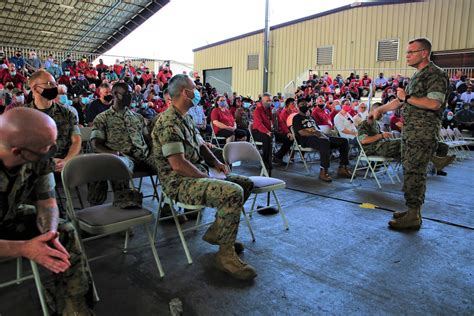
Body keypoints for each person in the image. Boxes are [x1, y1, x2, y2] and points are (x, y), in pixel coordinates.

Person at [152, 74, 256, 280]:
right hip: (178, 183)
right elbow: (178, 164)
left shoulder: (186, 118)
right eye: (194, 88)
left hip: (195, 176)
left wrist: (216, 164)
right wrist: (206, 177)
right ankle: (225, 256)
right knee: (233, 192)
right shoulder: (168, 122)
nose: (197, 92)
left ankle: (220, 232)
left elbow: (200, 145)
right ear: (185, 92)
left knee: (245, 183)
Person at [0, 108, 92, 314]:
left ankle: (74, 308)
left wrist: (49, 232)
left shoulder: (37, 156)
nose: (53, 152)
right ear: (17, 152)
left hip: (10, 216)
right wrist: (24, 248)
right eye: (46, 148)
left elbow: (47, 201)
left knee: (64, 231)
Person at [370, 38, 450, 230]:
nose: (407, 56)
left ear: (424, 53)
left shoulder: (435, 75)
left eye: (411, 52)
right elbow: (401, 101)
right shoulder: (417, 76)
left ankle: (413, 215)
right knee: (410, 170)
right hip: (412, 132)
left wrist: (405, 97)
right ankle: (412, 210)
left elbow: (433, 103)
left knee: (415, 172)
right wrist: (381, 110)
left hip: (422, 133)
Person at [360, 103, 454, 176]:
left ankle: (429, 162)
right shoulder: (364, 124)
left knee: (410, 147)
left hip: (381, 147)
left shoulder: (376, 124)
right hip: (372, 149)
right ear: (374, 111)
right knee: (405, 143)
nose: (383, 115)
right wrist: (381, 136)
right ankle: (433, 160)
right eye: (381, 112)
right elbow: (363, 140)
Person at [26, 70, 82, 173]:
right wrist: (47, 163)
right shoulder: (22, 116)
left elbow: (76, 140)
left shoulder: (68, 114)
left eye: (55, 84)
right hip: (34, 171)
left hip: (65, 167)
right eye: (49, 84)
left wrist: (66, 161)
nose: (55, 87)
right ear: (35, 89)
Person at [292, 100, 352, 182]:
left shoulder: (311, 117)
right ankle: (323, 171)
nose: (304, 105)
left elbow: (318, 129)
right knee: (324, 142)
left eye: (305, 104)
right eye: (301, 104)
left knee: (343, 141)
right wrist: (316, 134)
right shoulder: (296, 117)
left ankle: (343, 167)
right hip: (307, 139)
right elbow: (302, 132)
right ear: (298, 106)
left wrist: (321, 134)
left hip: (320, 137)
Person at [251, 93, 274, 170]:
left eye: (270, 100)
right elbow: (259, 124)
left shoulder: (269, 109)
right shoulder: (258, 110)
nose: (269, 102)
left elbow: (271, 121)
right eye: (267, 100)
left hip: (267, 131)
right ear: (263, 101)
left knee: (281, 136)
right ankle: (265, 161)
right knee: (267, 138)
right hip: (257, 131)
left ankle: (277, 156)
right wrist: (267, 131)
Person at [274, 98, 297, 164]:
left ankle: (279, 156)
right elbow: (283, 125)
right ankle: (278, 156)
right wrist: (288, 133)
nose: (294, 105)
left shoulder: (294, 112)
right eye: (292, 104)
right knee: (290, 139)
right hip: (283, 132)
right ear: (287, 105)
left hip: (291, 131)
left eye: (294, 103)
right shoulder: (284, 113)